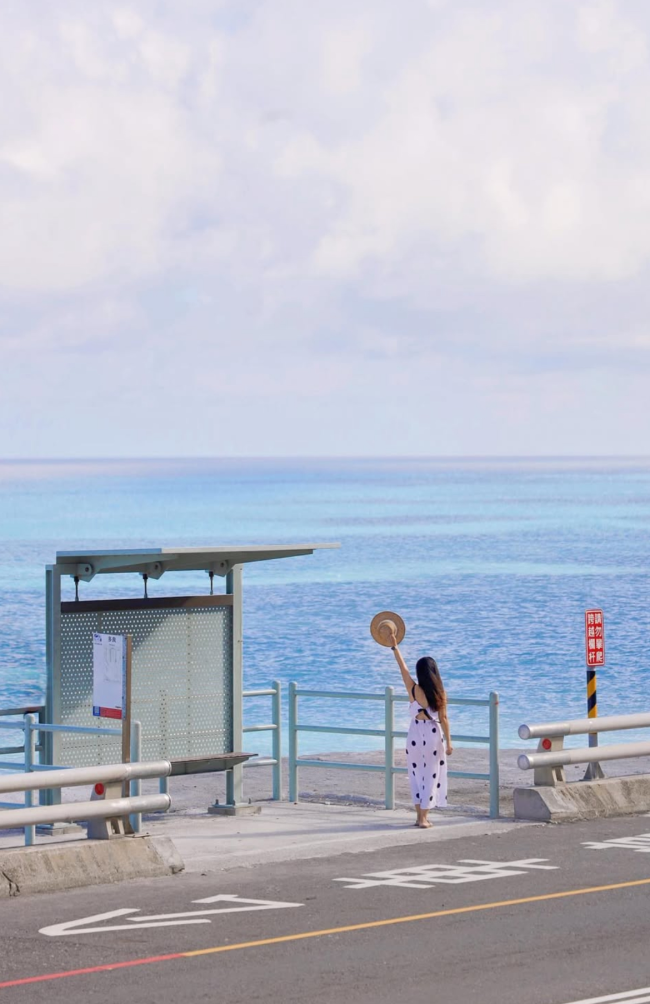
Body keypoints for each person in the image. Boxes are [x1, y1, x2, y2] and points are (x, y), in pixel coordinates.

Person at [386, 628, 453, 828]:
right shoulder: (440, 693)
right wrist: (449, 743)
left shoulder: (413, 689)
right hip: (432, 735)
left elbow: (402, 668)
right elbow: (444, 719)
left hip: (415, 734)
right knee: (432, 775)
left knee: (416, 775)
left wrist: (395, 647)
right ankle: (424, 817)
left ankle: (419, 817)